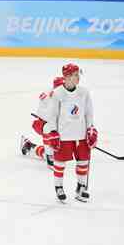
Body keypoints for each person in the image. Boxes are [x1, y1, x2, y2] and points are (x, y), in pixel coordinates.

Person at [43, 63, 98, 202]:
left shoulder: (84, 93)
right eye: (74, 75)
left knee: (83, 162)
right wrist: (53, 132)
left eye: (77, 75)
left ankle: (81, 187)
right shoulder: (58, 94)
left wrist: (91, 128)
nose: (77, 78)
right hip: (64, 136)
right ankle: (59, 187)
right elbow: (52, 116)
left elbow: (89, 113)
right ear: (66, 77)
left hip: (81, 136)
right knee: (60, 163)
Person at [21, 76, 64, 170]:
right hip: (43, 124)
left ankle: (30, 147)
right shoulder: (48, 97)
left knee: (61, 154)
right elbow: (44, 115)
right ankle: (49, 157)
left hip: (59, 127)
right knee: (48, 127)